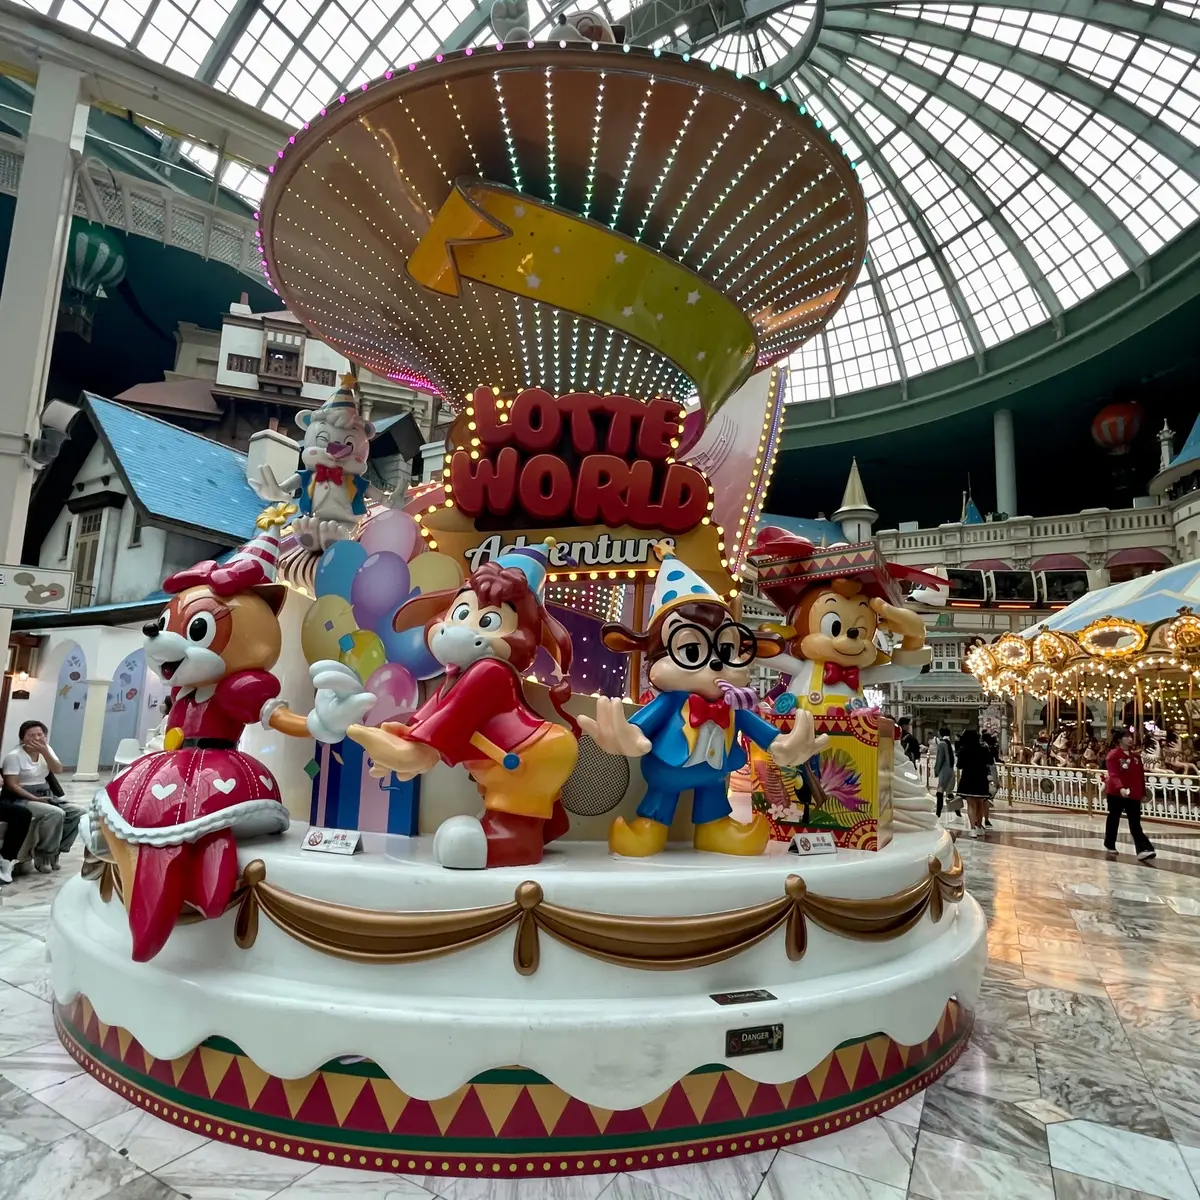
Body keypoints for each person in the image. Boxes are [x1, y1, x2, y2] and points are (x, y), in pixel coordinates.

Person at [1, 721, 83, 872]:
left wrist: (45, 752)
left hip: (46, 793)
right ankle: (44, 854)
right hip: (22, 797)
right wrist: (34, 798)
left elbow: (58, 769)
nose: (36, 738)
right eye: (31, 735)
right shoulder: (14, 756)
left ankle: (57, 851)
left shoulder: (47, 750)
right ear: (22, 738)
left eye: (40, 735)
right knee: (55, 813)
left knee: (79, 812)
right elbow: (12, 785)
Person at [1104, 729, 1156, 862]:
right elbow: (1113, 774)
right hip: (1116, 793)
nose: (1130, 739)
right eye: (1127, 737)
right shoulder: (1113, 755)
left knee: (1135, 822)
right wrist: (1120, 788)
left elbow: (1140, 776)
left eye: (1131, 736)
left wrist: (1142, 792)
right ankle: (1110, 843)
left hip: (1132, 794)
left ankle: (1143, 849)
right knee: (1114, 818)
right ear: (1119, 739)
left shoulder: (1136, 757)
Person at [955, 727, 992, 838]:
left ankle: (972, 829)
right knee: (980, 803)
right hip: (981, 778)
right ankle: (979, 826)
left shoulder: (964, 750)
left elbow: (959, 766)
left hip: (968, 778)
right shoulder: (983, 749)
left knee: (971, 804)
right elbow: (990, 761)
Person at [933, 727, 956, 818]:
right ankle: (957, 810)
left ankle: (938, 812)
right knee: (949, 791)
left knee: (940, 790)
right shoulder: (949, 743)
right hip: (950, 769)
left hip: (944, 769)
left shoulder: (941, 744)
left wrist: (936, 770)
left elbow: (939, 759)